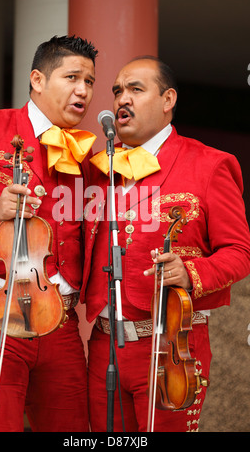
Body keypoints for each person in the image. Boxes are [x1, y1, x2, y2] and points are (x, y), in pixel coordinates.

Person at [80, 56, 250, 432]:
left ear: (167, 99)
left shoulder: (210, 164)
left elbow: (240, 253)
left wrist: (190, 273)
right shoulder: (99, 169)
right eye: (117, 91)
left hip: (171, 344)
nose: (122, 99)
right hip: (103, 346)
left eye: (136, 90)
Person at [0, 35, 98, 432]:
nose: (83, 90)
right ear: (37, 80)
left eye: (89, 81)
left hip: (62, 322)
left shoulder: (87, 156)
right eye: (72, 77)